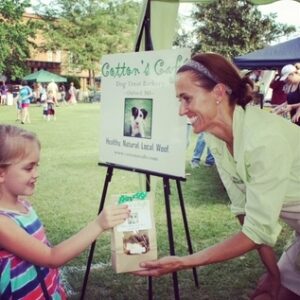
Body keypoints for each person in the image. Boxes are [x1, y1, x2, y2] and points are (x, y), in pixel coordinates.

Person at [135, 53, 300, 300]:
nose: (181, 110)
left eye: (186, 98)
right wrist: (273, 273)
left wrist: (183, 262)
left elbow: (256, 231)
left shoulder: (264, 140)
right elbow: (245, 213)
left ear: (219, 93)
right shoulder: (216, 138)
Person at [0, 124, 130, 299]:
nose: (36, 173)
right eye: (28, 168)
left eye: (37, 165)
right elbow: (51, 257)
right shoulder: (3, 223)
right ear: (1, 173)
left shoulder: (23, 205)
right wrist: (99, 224)